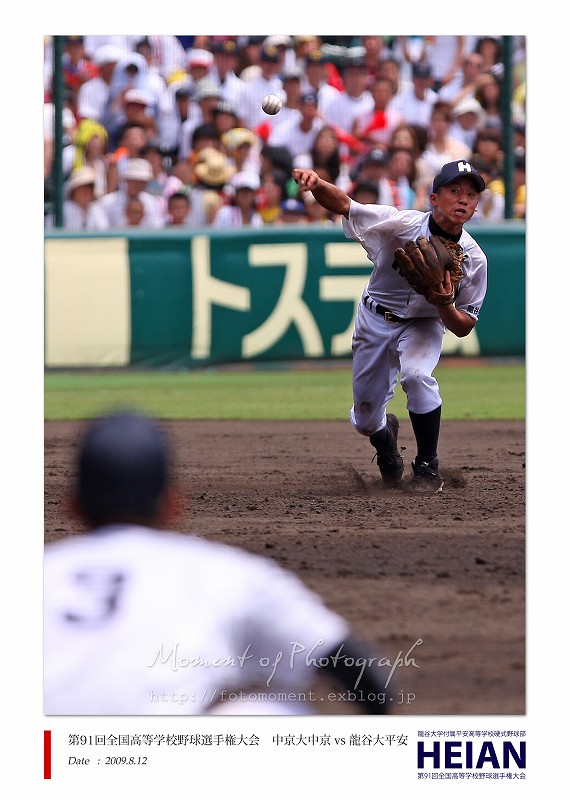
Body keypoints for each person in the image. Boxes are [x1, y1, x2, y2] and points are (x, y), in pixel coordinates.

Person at [44, 410, 393, 715]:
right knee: (266, 711)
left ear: (72, 507)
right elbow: (361, 672)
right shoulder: (222, 571)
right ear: (173, 504)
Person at [293, 159, 488, 493]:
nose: (463, 199)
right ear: (434, 197)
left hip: (425, 324)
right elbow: (346, 205)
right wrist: (317, 184)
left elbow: (464, 326)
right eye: (454, 190)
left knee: (417, 375)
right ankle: (386, 442)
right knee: (365, 419)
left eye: (471, 194)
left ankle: (427, 468)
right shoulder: (400, 225)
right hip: (375, 318)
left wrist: (443, 304)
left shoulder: (474, 258)